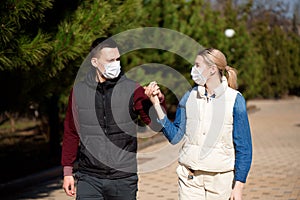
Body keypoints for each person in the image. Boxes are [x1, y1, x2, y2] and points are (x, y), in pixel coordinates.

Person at [61, 37, 164, 199]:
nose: (116, 64)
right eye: (110, 60)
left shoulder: (132, 89)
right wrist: (68, 171)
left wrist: (156, 101)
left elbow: (156, 123)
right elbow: (71, 132)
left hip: (123, 178)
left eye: (118, 59)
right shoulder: (79, 91)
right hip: (89, 177)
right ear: (95, 62)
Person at [145, 48, 252, 200]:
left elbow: (244, 147)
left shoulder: (235, 99)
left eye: (197, 65)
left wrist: (239, 186)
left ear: (212, 69)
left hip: (220, 180)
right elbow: (174, 136)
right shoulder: (189, 96)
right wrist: (156, 104)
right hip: (190, 178)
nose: (193, 70)